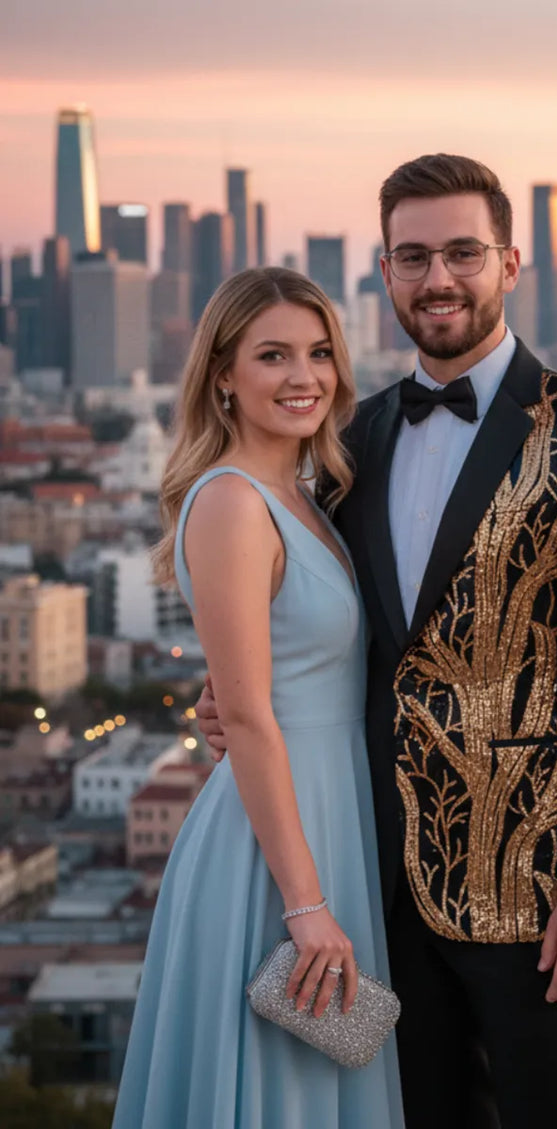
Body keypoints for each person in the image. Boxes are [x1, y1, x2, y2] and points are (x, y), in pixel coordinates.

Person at [197, 155, 557, 1129]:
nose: (436, 279)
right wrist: (229, 704)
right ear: (383, 274)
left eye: (460, 252)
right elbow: (311, 626)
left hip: (539, 899)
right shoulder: (347, 440)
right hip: (370, 882)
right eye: (411, 257)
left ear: (508, 263)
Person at [112, 268, 404, 1129]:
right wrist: (305, 904)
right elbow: (244, 714)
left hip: (328, 820)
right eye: (272, 354)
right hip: (273, 854)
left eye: (319, 352)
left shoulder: (307, 499)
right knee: (281, 1096)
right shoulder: (234, 503)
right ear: (222, 376)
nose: (302, 375)